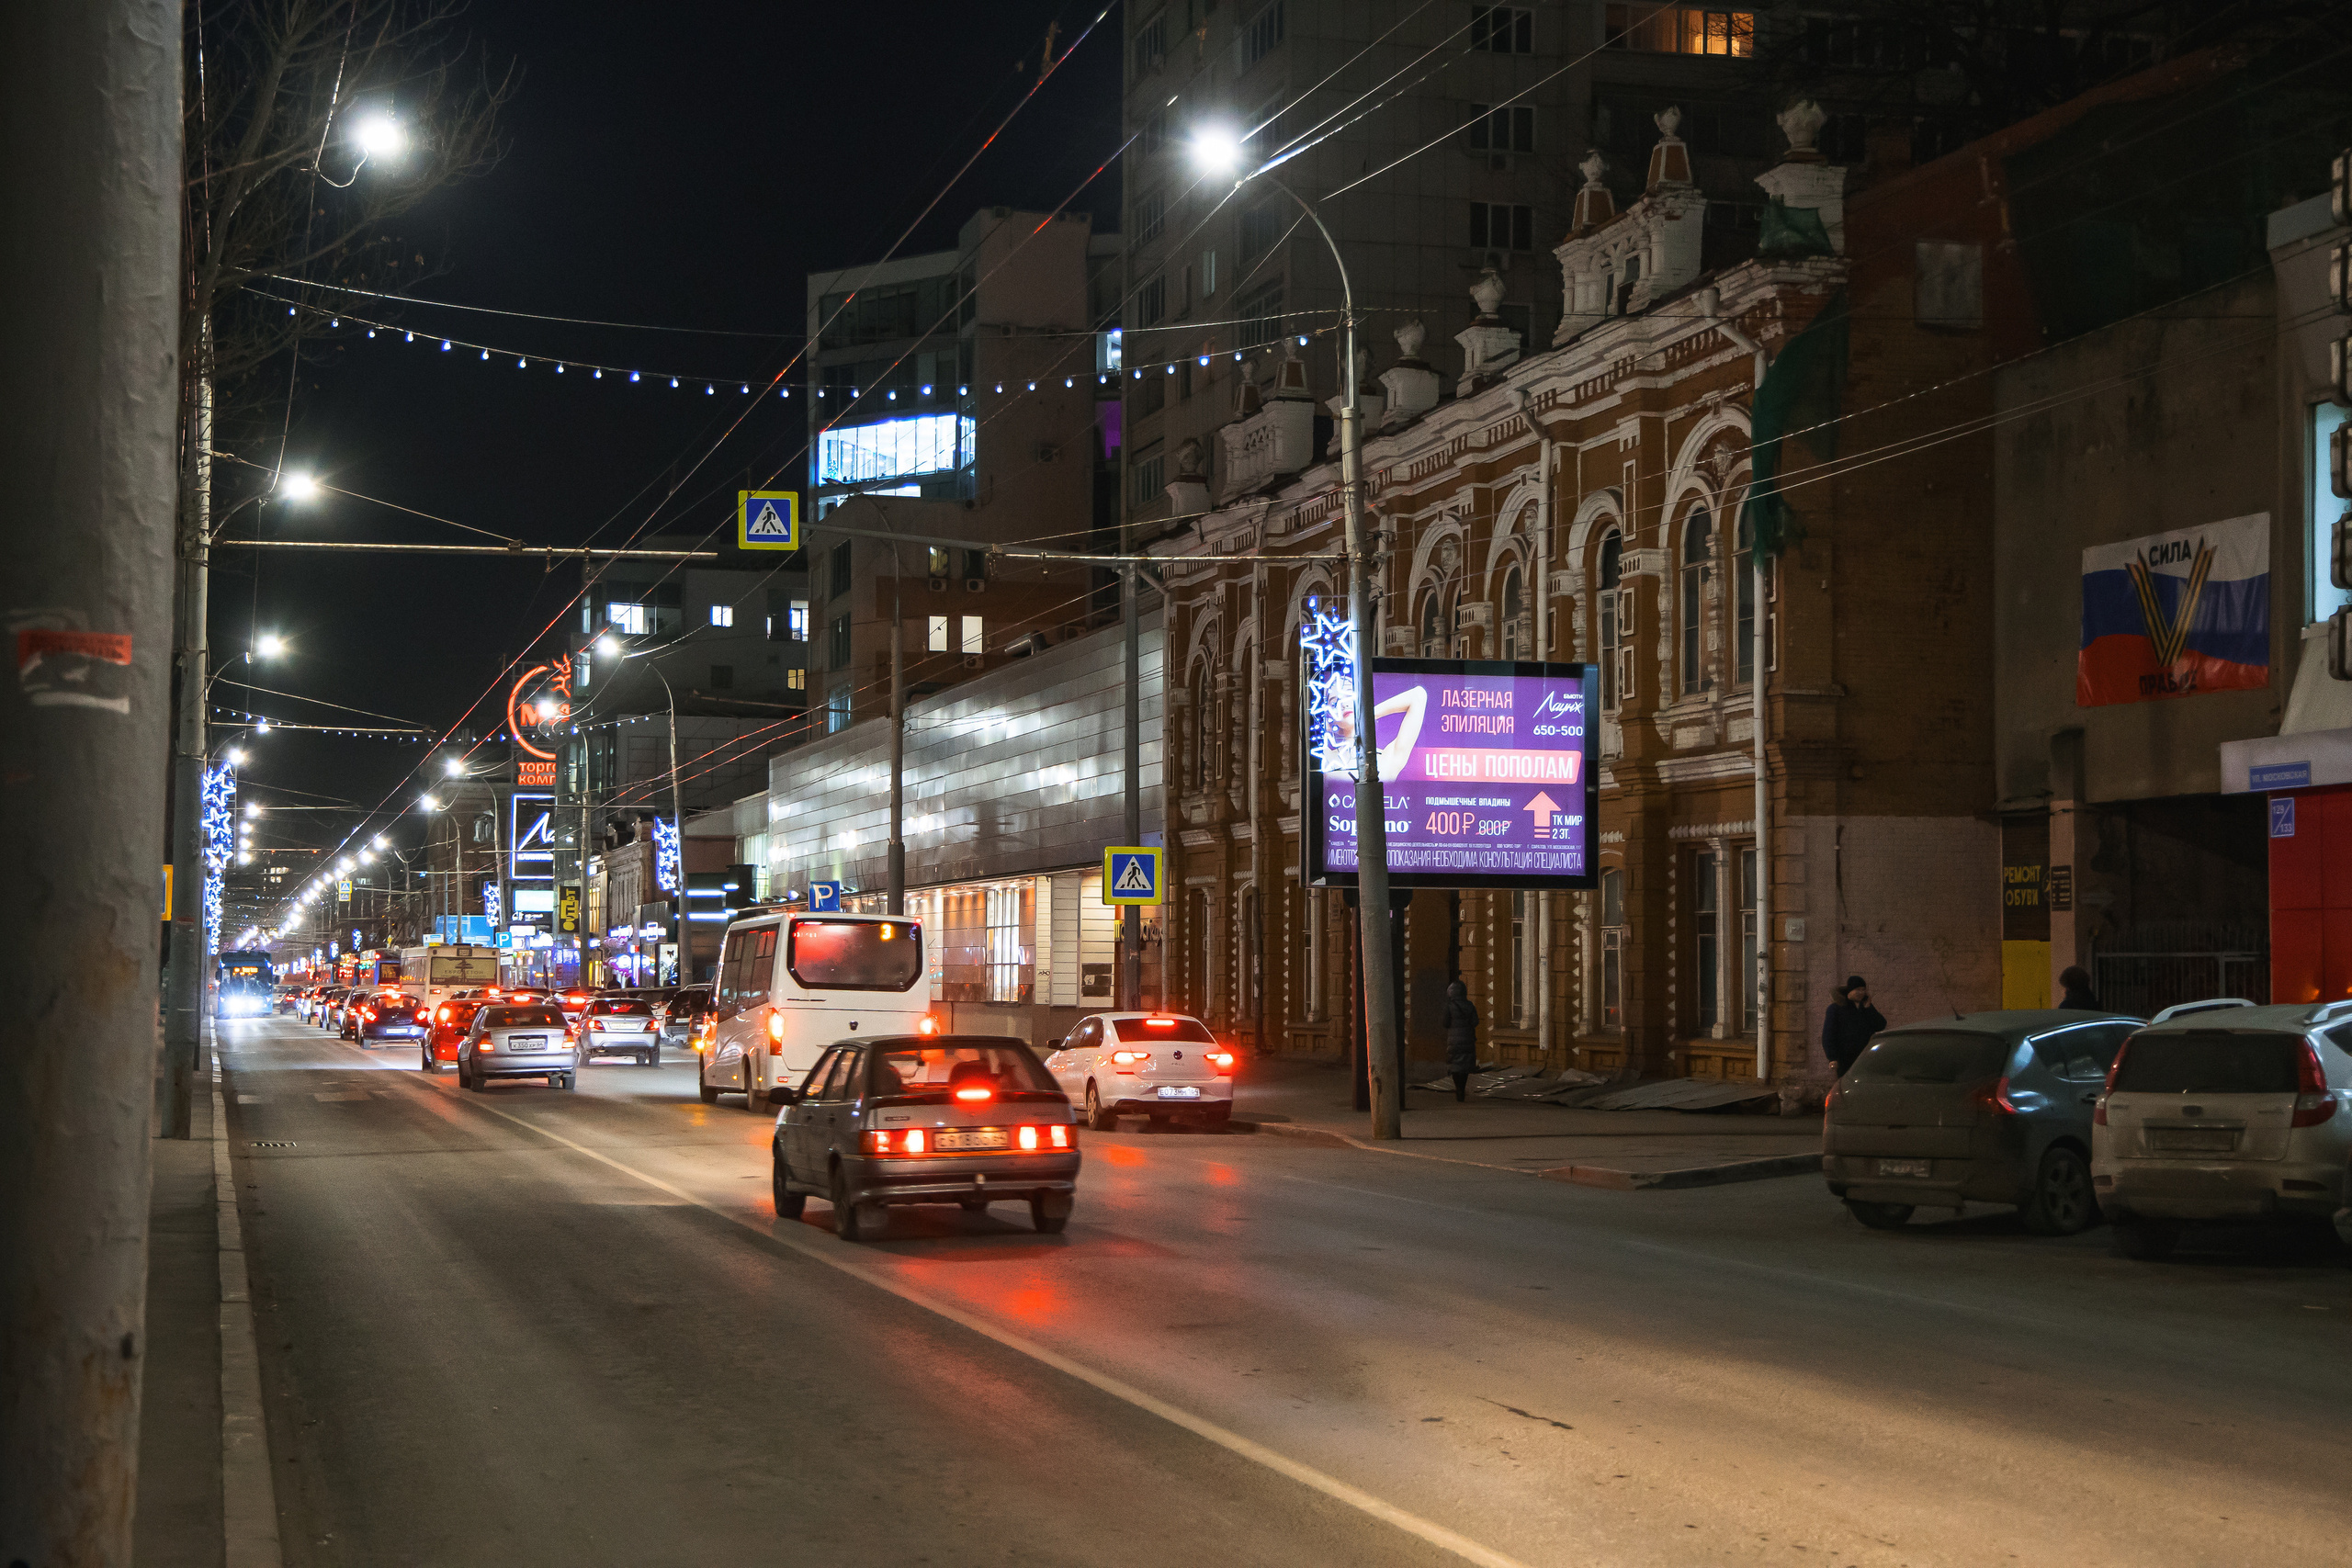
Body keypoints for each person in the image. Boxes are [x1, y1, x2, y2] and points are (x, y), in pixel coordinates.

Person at [1820, 976, 1885, 1078]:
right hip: (1845, 1058)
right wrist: (1832, 1057)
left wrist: (1869, 1008)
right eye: (1857, 990)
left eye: (1863, 990)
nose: (1861, 992)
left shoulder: (1865, 1007)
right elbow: (1828, 1034)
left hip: (1865, 1057)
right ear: (1850, 991)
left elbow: (1880, 1025)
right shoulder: (1836, 1009)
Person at [1441, 979, 1480, 1101]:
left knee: (1455, 1066)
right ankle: (1462, 1089)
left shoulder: (1449, 1007)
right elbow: (1475, 1022)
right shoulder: (1470, 1005)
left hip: (1454, 1041)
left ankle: (1458, 1088)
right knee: (1465, 1066)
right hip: (1468, 1039)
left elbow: (1445, 1023)